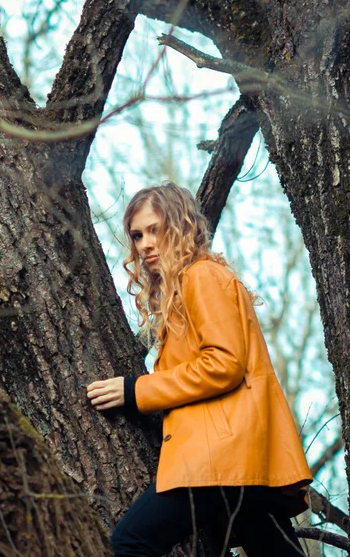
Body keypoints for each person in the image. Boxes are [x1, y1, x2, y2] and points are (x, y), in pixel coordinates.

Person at [86, 183, 313, 557]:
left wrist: (136, 391)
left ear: (181, 225)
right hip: (240, 458)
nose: (144, 244)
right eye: (137, 235)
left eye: (155, 229)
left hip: (218, 458)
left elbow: (224, 363)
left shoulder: (201, 276)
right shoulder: (189, 285)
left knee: (129, 545)